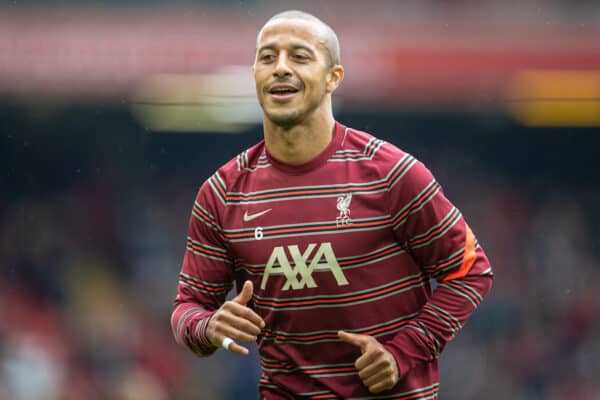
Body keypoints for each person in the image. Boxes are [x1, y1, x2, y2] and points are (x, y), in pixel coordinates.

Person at [171, 10, 493, 399]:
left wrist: (402, 352)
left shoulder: (392, 173)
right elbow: (188, 307)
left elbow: (470, 271)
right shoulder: (222, 193)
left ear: (333, 78)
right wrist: (209, 327)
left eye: (300, 57)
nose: (281, 68)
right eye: (268, 57)